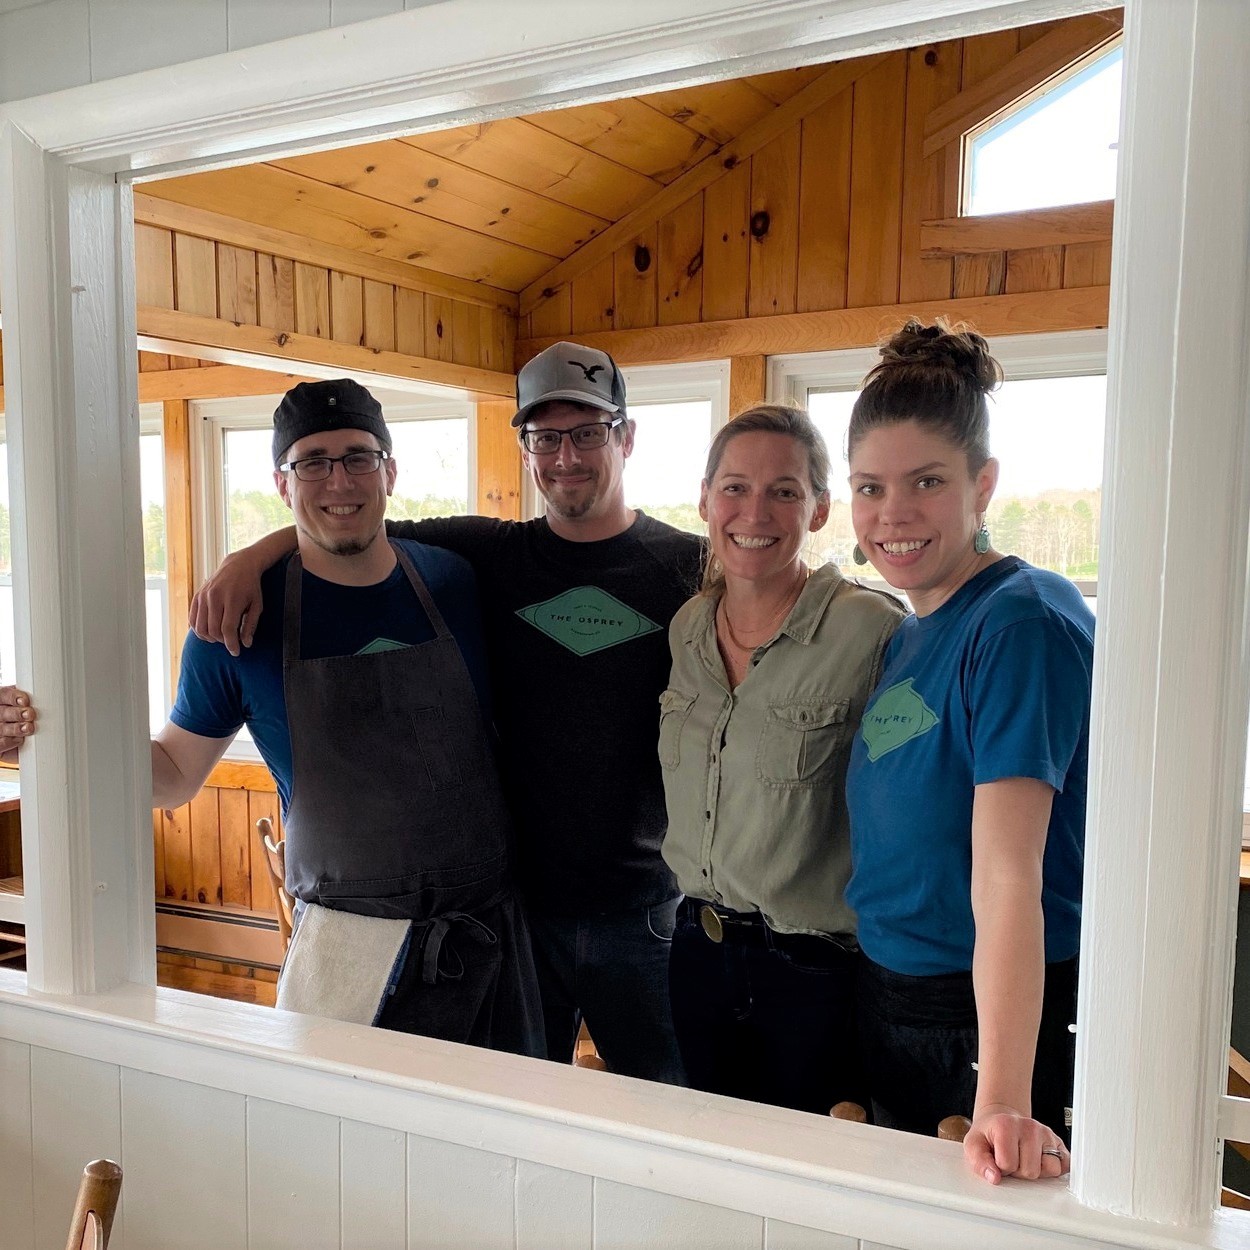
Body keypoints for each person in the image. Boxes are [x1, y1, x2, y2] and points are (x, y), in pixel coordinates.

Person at [188, 345, 700, 1085]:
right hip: (519, 918)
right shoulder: (487, 555)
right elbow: (348, 529)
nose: (566, 457)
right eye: (545, 438)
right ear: (524, 448)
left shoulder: (689, 568)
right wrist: (248, 558)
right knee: (518, 1115)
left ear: (625, 437)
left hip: (645, 914)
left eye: (587, 432)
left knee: (673, 1116)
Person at [152, 378, 543, 1057]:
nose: (340, 479)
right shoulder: (237, 622)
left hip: (490, 939)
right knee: (336, 1157)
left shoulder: (457, 579)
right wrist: (58, 739)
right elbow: (174, 775)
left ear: (390, 471)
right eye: (313, 461)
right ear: (282, 482)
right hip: (345, 956)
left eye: (359, 456)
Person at [842, 320, 1094, 1184]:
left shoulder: (1021, 621)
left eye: (927, 482)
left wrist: (1004, 1100)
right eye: (870, 487)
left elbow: (1010, 873)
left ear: (983, 485)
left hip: (983, 1016)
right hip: (895, 996)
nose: (893, 514)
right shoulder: (915, 628)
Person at [659, 405, 905, 1114]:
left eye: (784, 491)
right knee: (708, 1168)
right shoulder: (687, 631)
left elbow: (918, 797)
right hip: (696, 953)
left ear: (820, 508)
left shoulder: (874, 633)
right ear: (705, 499)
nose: (754, 511)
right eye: (734, 487)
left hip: (818, 974)